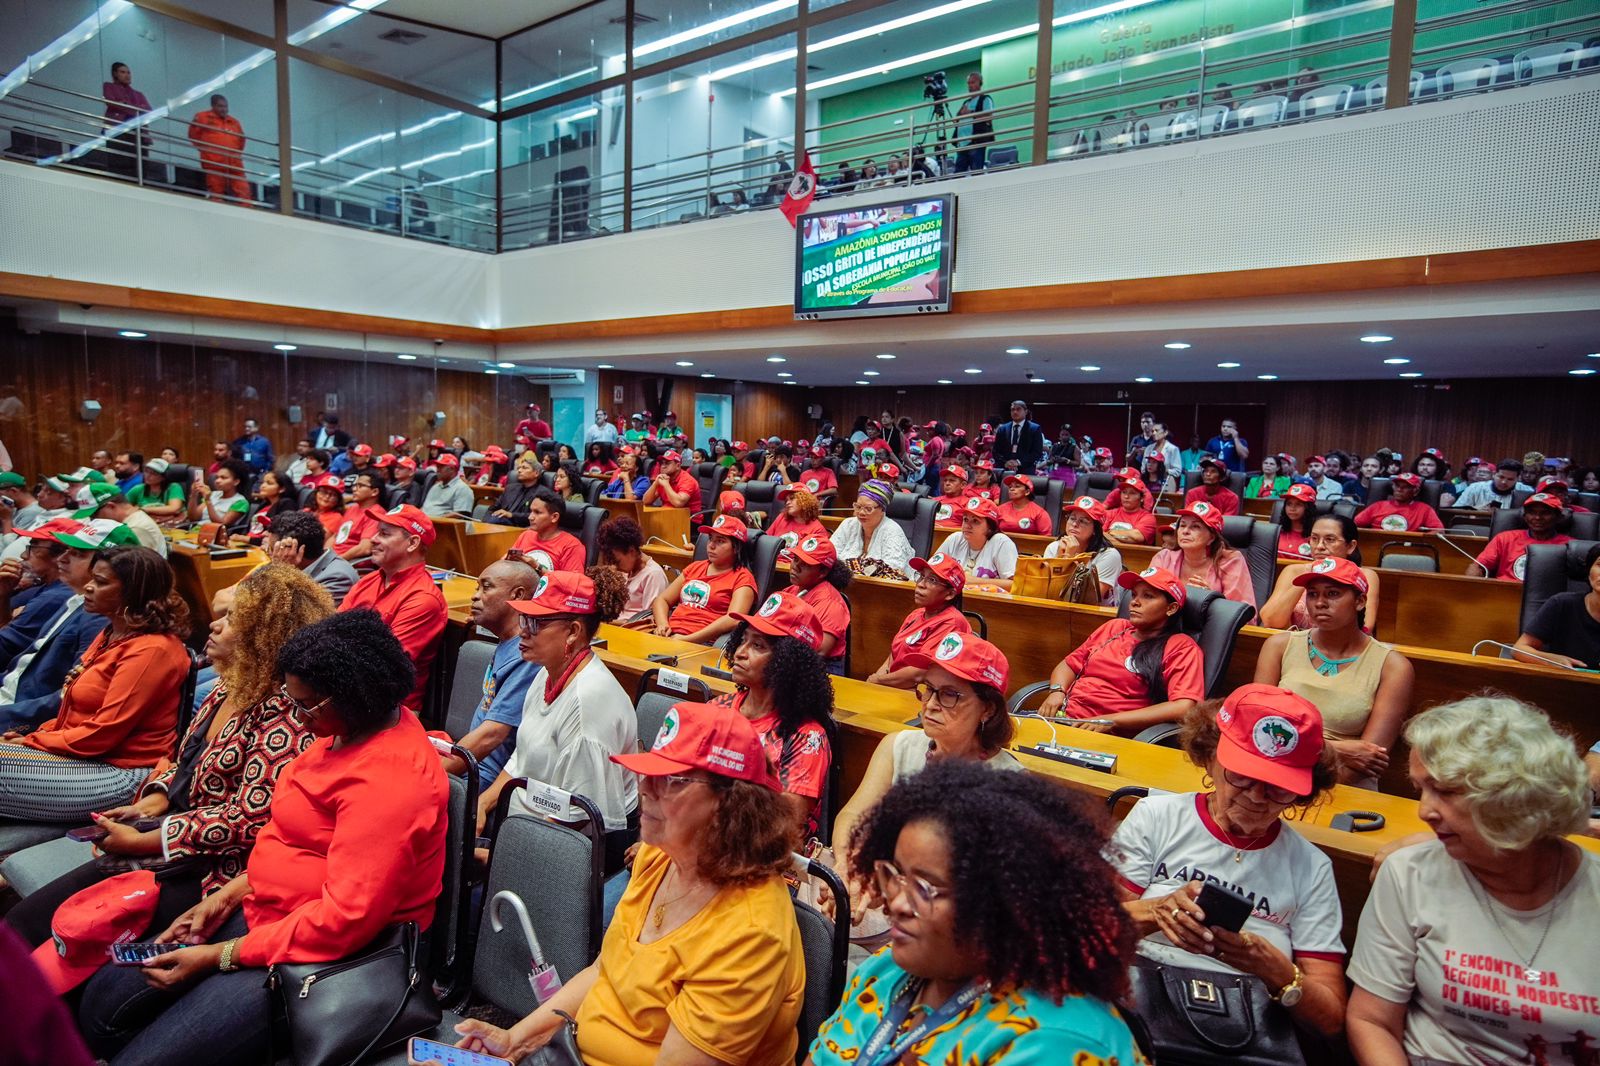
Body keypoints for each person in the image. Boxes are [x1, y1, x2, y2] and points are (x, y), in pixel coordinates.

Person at [72, 610, 448, 1065]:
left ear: (353, 697)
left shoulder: (391, 783)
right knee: (100, 1006)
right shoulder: (347, 731)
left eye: (305, 704)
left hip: (334, 951)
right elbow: (292, 840)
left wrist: (219, 956)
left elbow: (344, 921)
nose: (297, 717)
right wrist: (227, 896)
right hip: (269, 911)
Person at [452, 700, 804, 1065]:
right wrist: (515, 1042)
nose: (646, 788)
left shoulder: (749, 933)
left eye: (671, 779)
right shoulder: (659, 858)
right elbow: (604, 971)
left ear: (733, 804)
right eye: (648, 772)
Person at [5, 563, 331, 949]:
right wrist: (153, 800)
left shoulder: (286, 712)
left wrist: (149, 840)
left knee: (38, 932)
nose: (214, 624)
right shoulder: (231, 686)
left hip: (211, 867)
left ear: (265, 635)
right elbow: (182, 758)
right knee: (26, 923)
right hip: (169, 828)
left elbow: (252, 819)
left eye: (231, 618)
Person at [811, 760, 1144, 1065]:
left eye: (925, 888)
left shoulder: (1057, 1041)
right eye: (896, 875)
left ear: (1004, 904)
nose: (896, 903)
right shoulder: (885, 970)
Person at [1346, 697, 1597, 1066]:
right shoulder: (1409, 872)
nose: (1423, 812)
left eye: (1445, 791)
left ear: (1516, 795)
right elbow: (1371, 1020)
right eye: (1421, 789)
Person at [1110, 686, 1348, 1037]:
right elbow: (1086, 927)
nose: (1256, 796)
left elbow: (1330, 1020)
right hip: (1136, 1004)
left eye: (1278, 787)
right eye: (1241, 775)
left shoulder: (1311, 868)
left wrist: (1278, 973)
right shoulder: (1156, 818)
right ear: (1209, 758)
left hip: (1242, 1030)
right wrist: (1156, 912)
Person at [836, 633, 1021, 915]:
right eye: (927, 689)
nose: (931, 704)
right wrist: (849, 864)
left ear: (988, 709)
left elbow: (985, 889)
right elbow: (852, 816)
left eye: (949, 694)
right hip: (879, 895)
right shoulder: (897, 746)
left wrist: (894, 887)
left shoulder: (1009, 782)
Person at [0, 546, 189, 821]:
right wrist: (38, 737)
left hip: (122, 775)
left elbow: (102, 733)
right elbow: (72, 710)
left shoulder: (152, 651)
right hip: (85, 759)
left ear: (134, 592)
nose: (88, 587)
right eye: (92, 578)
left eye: (100, 582)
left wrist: (35, 740)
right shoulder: (112, 632)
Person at [478, 568, 639, 872]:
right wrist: (483, 802)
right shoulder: (545, 672)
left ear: (574, 632)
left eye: (535, 623)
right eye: (524, 619)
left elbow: (580, 819)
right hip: (528, 829)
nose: (522, 631)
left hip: (572, 854)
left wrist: (505, 856)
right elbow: (523, 756)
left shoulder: (587, 705)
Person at [1255, 558, 1413, 788]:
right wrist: (1336, 748)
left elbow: (1367, 759)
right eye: (1312, 594)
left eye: (1332, 594)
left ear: (1360, 601)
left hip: (1343, 785)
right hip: (1274, 777)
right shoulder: (1278, 646)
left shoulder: (1393, 667)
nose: (1319, 603)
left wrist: (1291, 749)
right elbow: (1258, 730)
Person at [720, 589, 835, 838]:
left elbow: (781, 824)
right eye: (743, 640)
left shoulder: (806, 738)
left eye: (758, 645)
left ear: (788, 663)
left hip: (759, 859)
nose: (740, 652)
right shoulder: (717, 708)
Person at [1039, 566, 1204, 734]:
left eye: (1148, 596)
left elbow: (1184, 706)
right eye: (1134, 594)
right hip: (1063, 719)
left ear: (1171, 608)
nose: (1135, 602)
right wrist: (1057, 691)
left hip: (1109, 734)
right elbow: (1068, 665)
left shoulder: (1181, 646)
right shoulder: (1115, 627)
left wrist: (1111, 721)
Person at [337, 504, 446, 714]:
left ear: (413, 543)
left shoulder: (423, 599)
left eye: (385, 534)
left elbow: (381, 665)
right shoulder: (367, 581)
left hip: (388, 712)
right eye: (377, 532)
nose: (374, 539)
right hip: (346, 692)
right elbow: (329, 633)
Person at [441, 558, 540, 790]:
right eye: (476, 588)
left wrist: (431, 773)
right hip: (470, 763)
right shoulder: (508, 643)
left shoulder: (526, 655)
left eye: (486, 587)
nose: (475, 596)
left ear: (517, 595)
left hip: (484, 777)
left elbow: (491, 736)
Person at [866, 553, 971, 689]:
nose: (921, 584)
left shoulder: (953, 622)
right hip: (893, 686)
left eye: (932, 580)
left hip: (922, 694)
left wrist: (879, 681)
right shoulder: (916, 614)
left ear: (950, 594)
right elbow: (893, 655)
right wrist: (875, 683)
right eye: (921, 576)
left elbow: (920, 672)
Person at [1260, 512, 1381, 631]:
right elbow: (1270, 621)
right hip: (1296, 645)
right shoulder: (1293, 571)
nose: (1319, 546)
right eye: (1314, 539)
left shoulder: (1365, 575)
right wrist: (1308, 576)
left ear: (1350, 546)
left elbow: (1365, 626)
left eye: (1330, 539)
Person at [652, 514, 757, 643]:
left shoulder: (743, 577)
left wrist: (687, 639)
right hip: (670, 636)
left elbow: (733, 619)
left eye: (720, 541)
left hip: (703, 644)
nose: (711, 545)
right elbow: (662, 599)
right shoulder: (695, 567)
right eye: (711, 539)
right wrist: (662, 624)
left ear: (736, 547)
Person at [1151, 501, 1257, 614]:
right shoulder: (1164, 557)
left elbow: (1242, 613)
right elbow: (1148, 601)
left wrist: (1211, 600)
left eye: (1195, 526)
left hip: (1213, 628)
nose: (1185, 531)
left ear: (1211, 538)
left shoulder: (1231, 561)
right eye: (1182, 525)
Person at [1512, 541, 1600, 669]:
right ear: (1588, 571)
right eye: (1599, 564)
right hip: (1564, 683)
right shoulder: (1562, 604)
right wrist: (1552, 660)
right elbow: (1520, 649)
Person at [259, 508, 358, 607]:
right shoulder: (298, 565)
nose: (270, 555)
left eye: (272, 549)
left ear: (292, 550)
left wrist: (282, 570)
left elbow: (298, 617)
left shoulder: (337, 577)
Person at [785, 534, 851, 670]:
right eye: (795, 559)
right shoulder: (791, 590)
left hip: (820, 669)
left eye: (805, 564)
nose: (795, 567)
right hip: (790, 661)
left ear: (822, 572)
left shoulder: (831, 603)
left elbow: (819, 650)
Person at [1043, 495, 1124, 605]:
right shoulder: (1053, 547)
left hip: (1095, 615)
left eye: (1083, 521)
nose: (1075, 524)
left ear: (1095, 530)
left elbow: (1089, 599)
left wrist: (1069, 559)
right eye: (1072, 518)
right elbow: (1046, 588)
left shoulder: (1109, 555)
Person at [1475, 492, 1571, 581]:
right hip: (1503, 594)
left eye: (1545, 513)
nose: (1537, 518)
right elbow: (1477, 566)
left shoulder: (1570, 546)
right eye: (1532, 513)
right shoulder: (1505, 538)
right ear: (1524, 516)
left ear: (1559, 517)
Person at [833, 479, 915, 580]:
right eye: (858, 507)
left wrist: (851, 567)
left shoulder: (893, 531)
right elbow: (830, 554)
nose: (861, 512)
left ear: (882, 509)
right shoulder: (848, 524)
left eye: (868, 509)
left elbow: (893, 568)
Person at [934, 496, 1018, 589]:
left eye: (975, 521)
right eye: (965, 519)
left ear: (990, 527)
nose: (967, 525)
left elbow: (1014, 584)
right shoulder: (955, 539)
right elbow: (933, 570)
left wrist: (974, 581)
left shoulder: (1001, 543)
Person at [596, 516, 668, 623]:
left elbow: (649, 620)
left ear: (632, 551)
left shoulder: (653, 575)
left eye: (617, 561)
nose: (614, 567)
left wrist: (607, 622)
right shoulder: (627, 570)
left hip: (633, 631)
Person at [187, 94, 249, 205]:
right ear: (213, 106)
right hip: (214, 162)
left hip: (234, 163)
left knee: (244, 190)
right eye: (220, 106)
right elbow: (193, 135)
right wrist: (207, 151)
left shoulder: (234, 122)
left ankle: (248, 211)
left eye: (225, 106)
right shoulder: (202, 117)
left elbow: (241, 140)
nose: (224, 109)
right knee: (216, 190)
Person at [509, 487, 587, 573]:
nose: (530, 517)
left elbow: (572, 583)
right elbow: (506, 563)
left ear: (554, 517)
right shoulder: (526, 535)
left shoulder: (571, 546)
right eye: (531, 511)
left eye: (537, 512)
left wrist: (537, 567)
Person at [101, 61, 153, 168]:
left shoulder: (138, 94)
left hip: (138, 132)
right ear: (115, 74)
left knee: (139, 165)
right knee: (118, 163)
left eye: (128, 72)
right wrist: (136, 108)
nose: (127, 75)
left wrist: (125, 104)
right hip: (118, 129)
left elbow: (148, 111)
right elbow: (111, 102)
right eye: (123, 72)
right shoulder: (109, 86)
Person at [1354, 472, 1443, 531]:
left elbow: (1438, 532)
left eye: (1405, 487)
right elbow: (1354, 525)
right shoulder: (1377, 506)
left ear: (1415, 491)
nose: (1399, 489)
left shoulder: (1425, 509)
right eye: (1397, 486)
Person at [185, 459, 251, 530]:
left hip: (212, 535)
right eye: (217, 477)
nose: (217, 481)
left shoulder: (241, 502)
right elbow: (193, 518)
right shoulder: (213, 494)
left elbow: (221, 524)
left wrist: (208, 501)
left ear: (236, 482)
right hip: (195, 531)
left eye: (223, 478)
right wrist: (193, 495)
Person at [952, 71, 995, 172]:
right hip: (962, 144)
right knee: (958, 175)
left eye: (973, 82)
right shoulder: (966, 102)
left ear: (980, 83)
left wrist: (970, 112)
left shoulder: (985, 99)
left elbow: (988, 117)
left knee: (976, 173)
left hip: (975, 142)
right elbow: (956, 119)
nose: (970, 85)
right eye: (968, 83)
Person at [1103, 468, 1159, 545]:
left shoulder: (1148, 518)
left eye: (1132, 493)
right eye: (1124, 492)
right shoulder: (1110, 513)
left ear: (1142, 498)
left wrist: (1110, 532)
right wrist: (1124, 537)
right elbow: (1099, 535)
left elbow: (1137, 537)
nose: (1126, 496)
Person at [487, 454, 541, 525]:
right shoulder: (510, 488)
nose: (519, 470)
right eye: (519, 468)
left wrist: (511, 515)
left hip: (520, 527)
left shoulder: (541, 493)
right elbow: (492, 509)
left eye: (524, 468)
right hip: (500, 523)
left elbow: (536, 516)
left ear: (536, 473)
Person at [991, 400, 1044, 472]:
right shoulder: (1003, 429)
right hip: (1005, 470)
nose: (1015, 412)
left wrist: (1018, 462)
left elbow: (1037, 452)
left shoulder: (1034, 429)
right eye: (1013, 410)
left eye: (1018, 409)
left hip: (1026, 470)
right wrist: (1005, 462)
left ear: (1025, 411)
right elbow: (996, 451)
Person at [240, 471, 294, 542]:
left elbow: (278, 535)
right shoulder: (264, 504)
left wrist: (248, 539)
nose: (263, 486)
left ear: (282, 489)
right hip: (248, 543)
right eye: (263, 482)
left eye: (269, 483)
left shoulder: (287, 504)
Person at [127, 458, 185, 523]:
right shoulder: (138, 489)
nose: (148, 476)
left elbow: (174, 508)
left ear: (164, 477)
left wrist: (144, 510)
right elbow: (123, 507)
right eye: (146, 471)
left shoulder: (173, 487)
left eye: (153, 473)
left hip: (171, 526)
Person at [1274, 481, 1319, 559]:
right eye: (1289, 504)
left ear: (1309, 508)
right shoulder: (1275, 532)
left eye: (1298, 504)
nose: (1292, 508)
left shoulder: (1317, 536)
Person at [307, 472, 345, 542]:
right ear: (316, 493)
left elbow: (318, 540)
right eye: (324, 492)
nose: (327, 497)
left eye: (333, 495)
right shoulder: (307, 510)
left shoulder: (336, 518)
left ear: (338, 500)